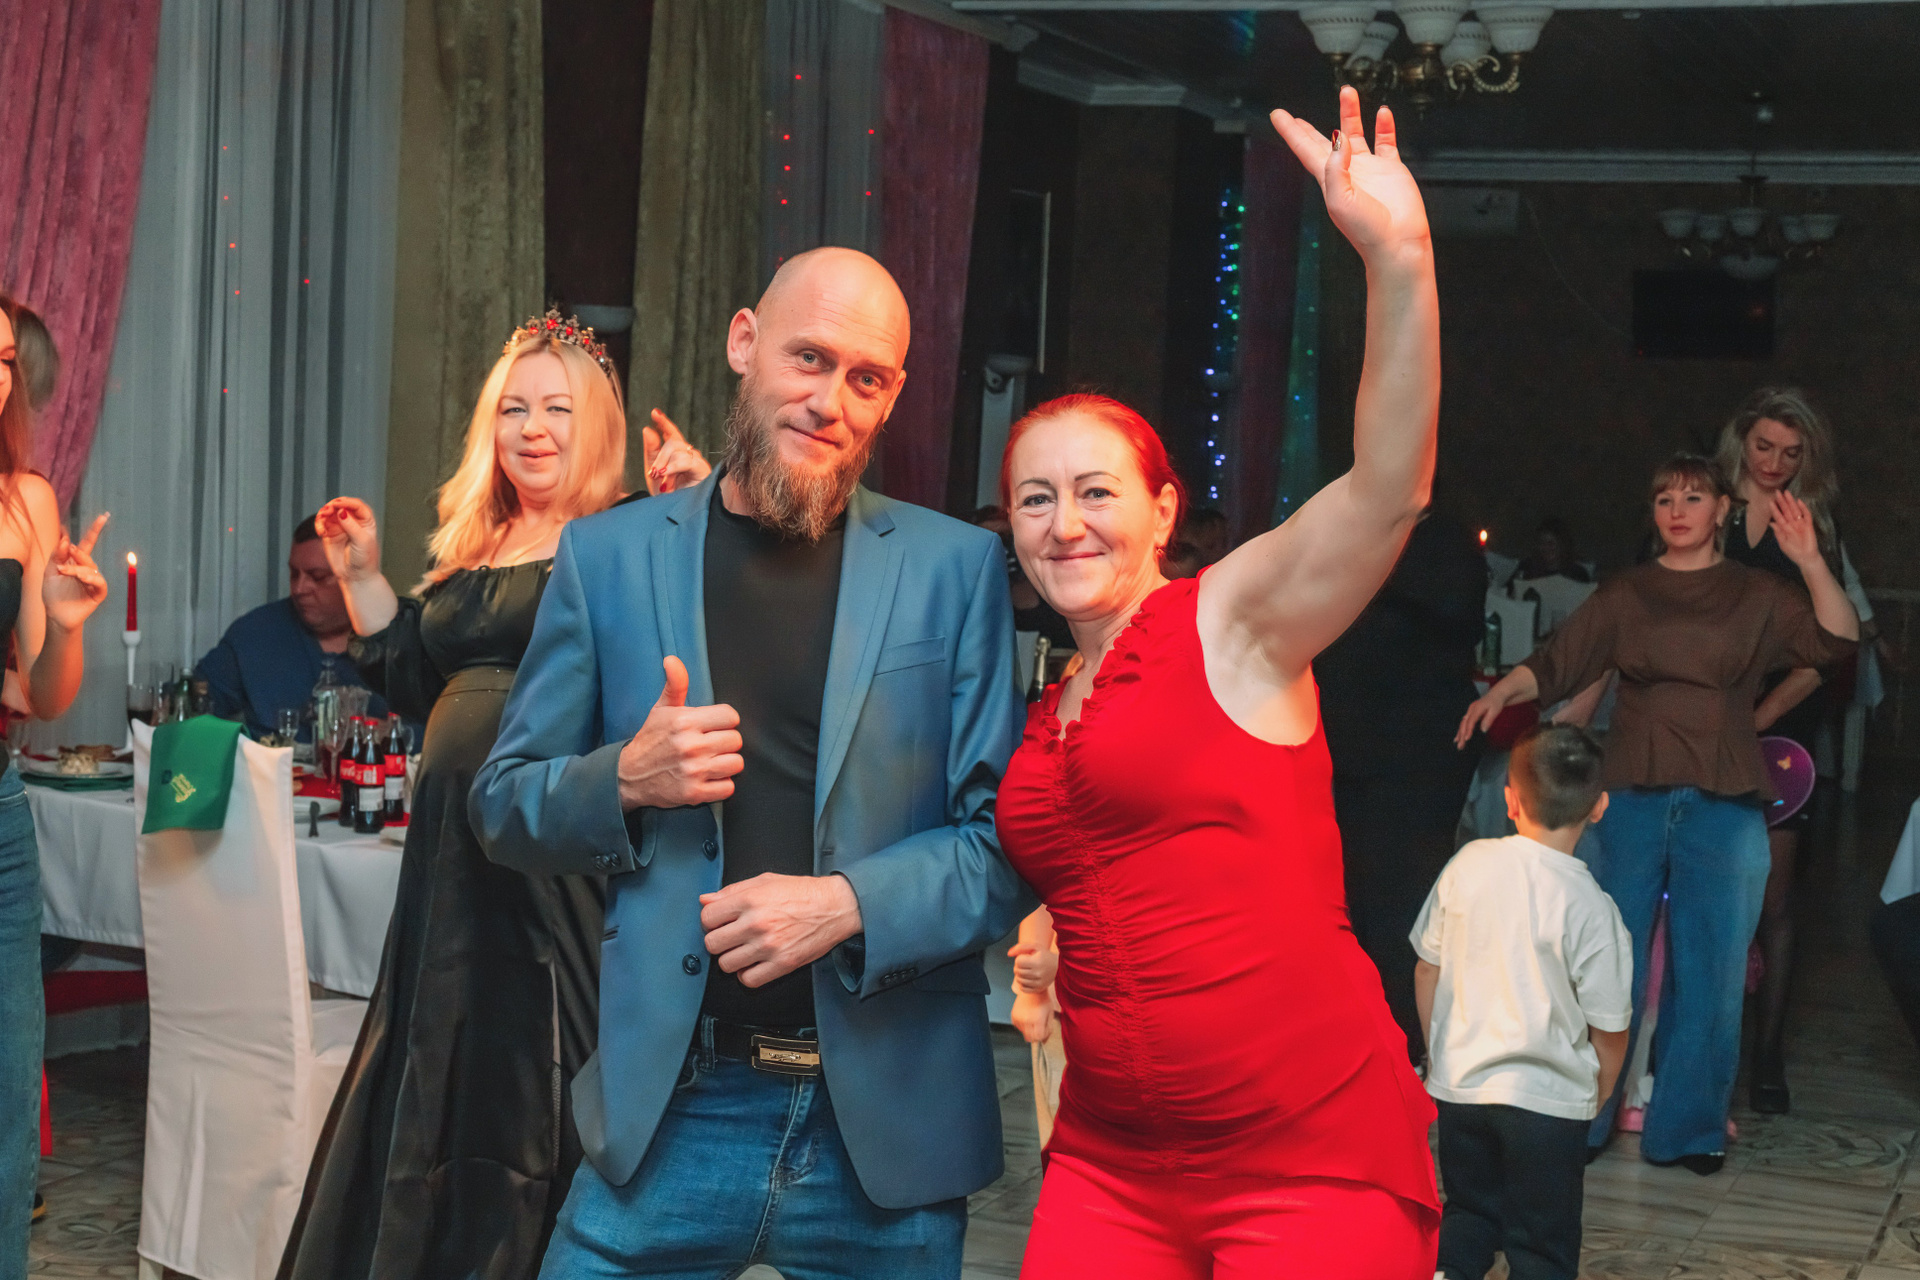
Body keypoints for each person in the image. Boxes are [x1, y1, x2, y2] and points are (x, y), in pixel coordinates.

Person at [470, 247, 1030, 1279]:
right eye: (808, 358)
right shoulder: (608, 557)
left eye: (866, 379)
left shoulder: (954, 570)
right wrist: (624, 779)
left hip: (886, 1132)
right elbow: (503, 805)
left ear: (893, 394)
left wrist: (846, 904)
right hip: (673, 1112)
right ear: (744, 342)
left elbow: (1006, 849)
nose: (830, 401)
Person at [996, 88, 1443, 1276]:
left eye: (1095, 491)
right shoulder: (1046, 705)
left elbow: (1388, 487)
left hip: (1307, 1151)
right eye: (1035, 498)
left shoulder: (1230, 619)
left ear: (1162, 510)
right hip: (1110, 1160)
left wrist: (1399, 260)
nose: (1065, 522)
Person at [279, 312, 708, 1280]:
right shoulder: (481, 538)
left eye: (557, 408)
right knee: (439, 1062)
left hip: (546, 853)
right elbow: (416, 678)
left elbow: (684, 648)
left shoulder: (625, 532)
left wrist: (689, 515)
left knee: (534, 1076)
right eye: (514, 408)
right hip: (449, 860)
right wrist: (362, 575)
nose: (532, 428)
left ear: (597, 425)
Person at [1458, 454, 1857, 1174]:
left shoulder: (1757, 592)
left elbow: (1835, 641)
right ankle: (1584, 1121)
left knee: (1712, 972)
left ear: (1723, 510)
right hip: (1632, 796)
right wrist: (1500, 695)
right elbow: (1560, 658)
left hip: (1724, 801)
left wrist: (1810, 560)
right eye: (1665, 498)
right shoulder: (1628, 592)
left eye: (1693, 497)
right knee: (1607, 964)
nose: (1677, 510)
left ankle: (1690, 1129)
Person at [1413, 724, 1631, 1280]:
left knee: (1467, 1215)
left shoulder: (1468, 865)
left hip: (1463, 1091)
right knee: (1542, 1243)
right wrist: (1597, 1095)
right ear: (1599, 807)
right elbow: (1610, 1028)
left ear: (1510, 802)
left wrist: (1440, 1054)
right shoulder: (1595, 909)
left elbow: (1426, 968)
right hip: (1550, 1107)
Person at [0, 293, 112, 1280]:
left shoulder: (25, 501)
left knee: (5, 1089)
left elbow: (38, 692)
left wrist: (66, 624)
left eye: (4, 359)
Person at [1714, 386, 1855, 1113]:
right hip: (1704, 720)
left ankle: (1768, 1056)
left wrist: (1762, 715)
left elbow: (1831, 646)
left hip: (1782, 726)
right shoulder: (1704, 507)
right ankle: (1696, 1050)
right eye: (1764, 446)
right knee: (1702, 894)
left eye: (1791, 453)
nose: (1774, 463)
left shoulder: (1811, 524)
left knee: (1774, 899)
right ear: (1741, 441)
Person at [1318, 502, 1486, 1060]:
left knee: (1405, 901)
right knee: (1347, 898)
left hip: (1419, 757)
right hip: (1346, 748)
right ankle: (1351, 1034)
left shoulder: (1445, 539)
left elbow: (1461, 612)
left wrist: (1373, 563)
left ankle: (1404, 1044)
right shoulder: (1345, 527)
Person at [196, 515, 394, 738]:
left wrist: (391, 733)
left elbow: (425, 727)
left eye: (317, 577)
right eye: (294, 574)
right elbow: (192, 706)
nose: (299, 589)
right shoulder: (255, 633)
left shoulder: (397, 638)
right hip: (278, 759)